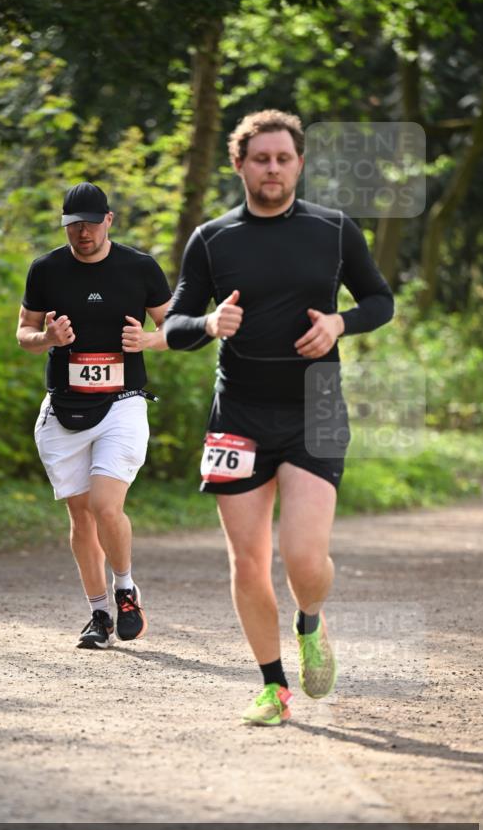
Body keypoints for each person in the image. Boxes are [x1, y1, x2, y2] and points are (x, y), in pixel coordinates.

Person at [162, 110, 394, 725]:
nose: (272, 168)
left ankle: (310, 621)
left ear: (299, 163)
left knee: (304, 560)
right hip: (237, 412)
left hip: (316, 407)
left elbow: (380, 299)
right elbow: (175, 325)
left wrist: (340, 322)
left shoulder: (334, 230)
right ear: (239, 164)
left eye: (283, 158)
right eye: (261, 158)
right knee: (248, 560)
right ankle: (273, 687)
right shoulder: (212, 239)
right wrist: (209, 322)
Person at [17, 182, 171, 650]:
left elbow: (174, 327)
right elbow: (23, 332)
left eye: (90, 223)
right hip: (64, 406)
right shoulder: (46, 269)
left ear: (109, 220)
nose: (82, 233)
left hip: (123, 401)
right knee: (81, 518)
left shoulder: (140, 267)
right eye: (73, 225)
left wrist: (148, 341)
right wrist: (47, 339)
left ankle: (125, 589)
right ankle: (99, 614)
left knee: (106, 506)